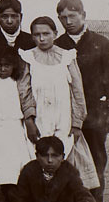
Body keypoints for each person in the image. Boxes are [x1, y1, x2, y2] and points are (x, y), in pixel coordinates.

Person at [54, 0, 109, 202]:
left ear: (83, 15)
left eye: (72, 16)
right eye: (63, 18)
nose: (68, 21)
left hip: (95, 113)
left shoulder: (102, 44)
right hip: (67, 113)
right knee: (68, 160)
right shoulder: (58, 45)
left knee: (96, 160)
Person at [19, 17, 98, 191]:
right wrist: (29, 120)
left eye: (46, 34)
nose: (42, 39)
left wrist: (77, 124)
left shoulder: (67, 57)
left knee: (63, 160)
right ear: (32, 37)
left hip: (63, 118)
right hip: (39, 118)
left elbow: (78, 92)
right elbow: (24, 91)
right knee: (37, 159)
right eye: (37, 35)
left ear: (55, 34)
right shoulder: (28, 57)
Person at [0, 48, 35, 188]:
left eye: (7, 65)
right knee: (0, 165)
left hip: (16, 127)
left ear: (14, 66)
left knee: (20, 161)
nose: (3, 69)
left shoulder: (17, 83)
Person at [0, 0, 35, 79]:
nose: (9, 21)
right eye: (4, 17)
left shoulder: (31, 41)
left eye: (14, 16)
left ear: (21, 17)